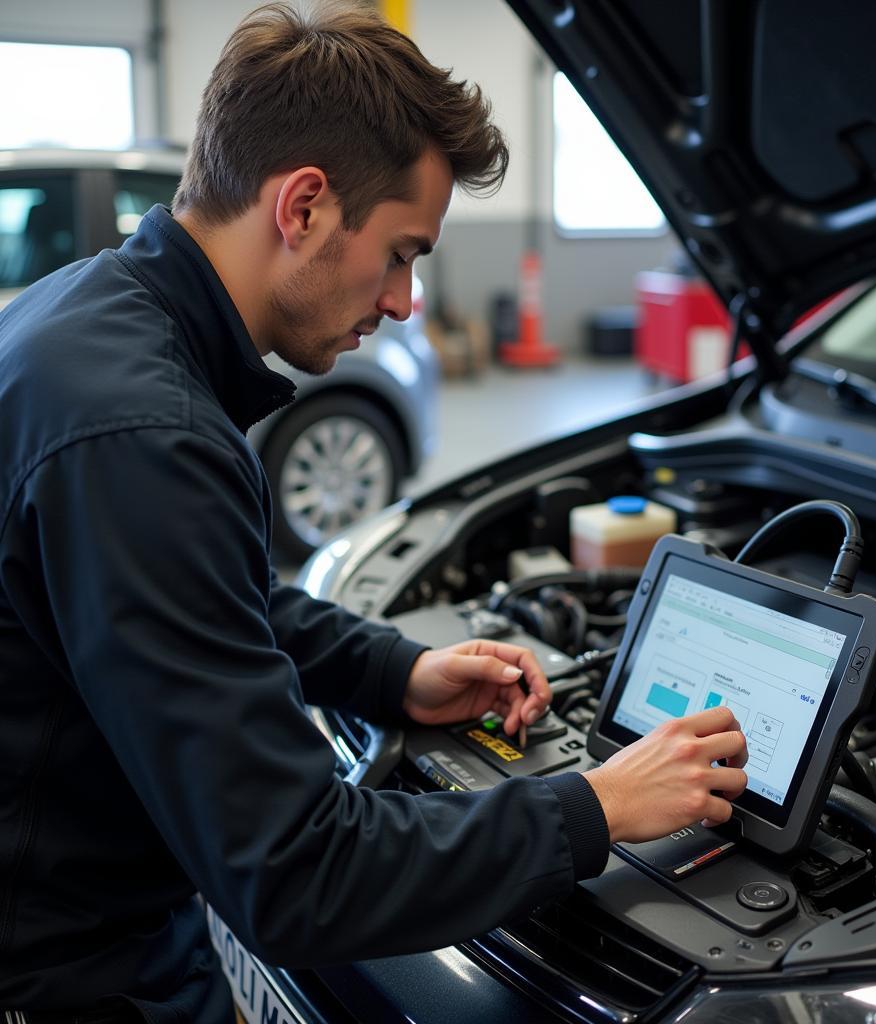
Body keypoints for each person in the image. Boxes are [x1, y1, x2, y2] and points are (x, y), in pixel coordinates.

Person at [0, 4, 748, 1021]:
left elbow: (205, 598)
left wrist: (394, 671)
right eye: (399, 252)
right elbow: (294, 873)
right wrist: (595, 805)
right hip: (68, 968)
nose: (404, 300)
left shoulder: (87, 314)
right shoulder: (144, 432)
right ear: (302, 206)